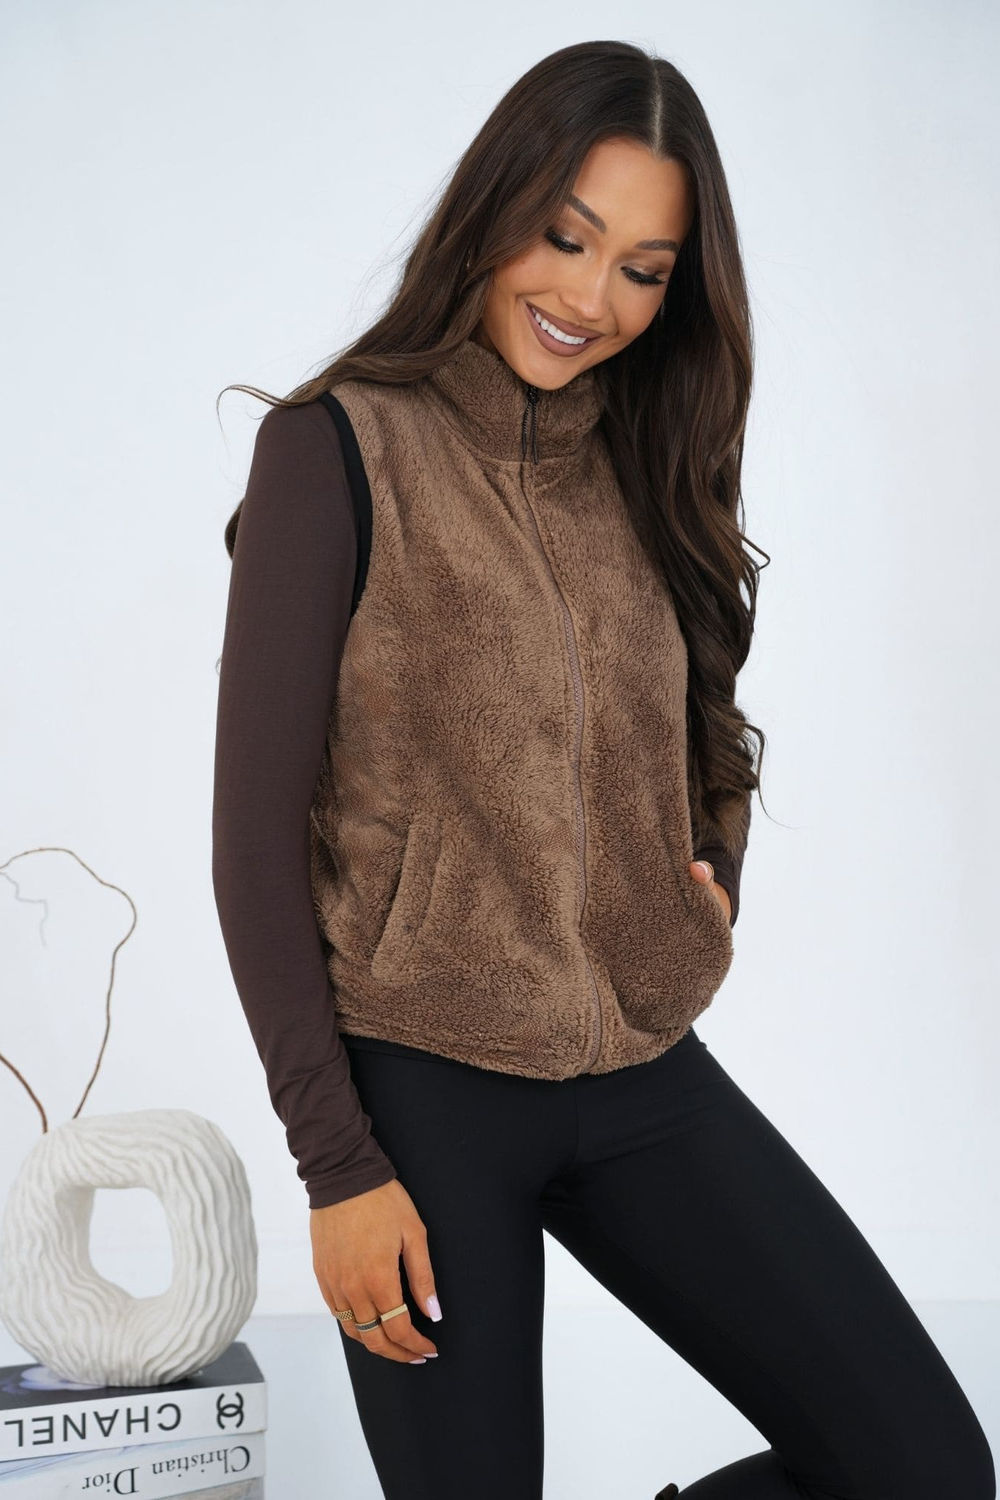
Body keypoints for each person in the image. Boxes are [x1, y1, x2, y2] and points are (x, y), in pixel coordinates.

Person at [211, 39, 995, 1500]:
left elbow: (705, 724)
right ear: (495, 208)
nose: (590, 299)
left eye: (643, 269)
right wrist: (337, 1166)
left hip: (639, 1070)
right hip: (420, 1090)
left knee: (930, 1470)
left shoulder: (646, 456)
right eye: (565, 238)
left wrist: (709, 881)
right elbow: (252, 846)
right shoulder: (335, 451)